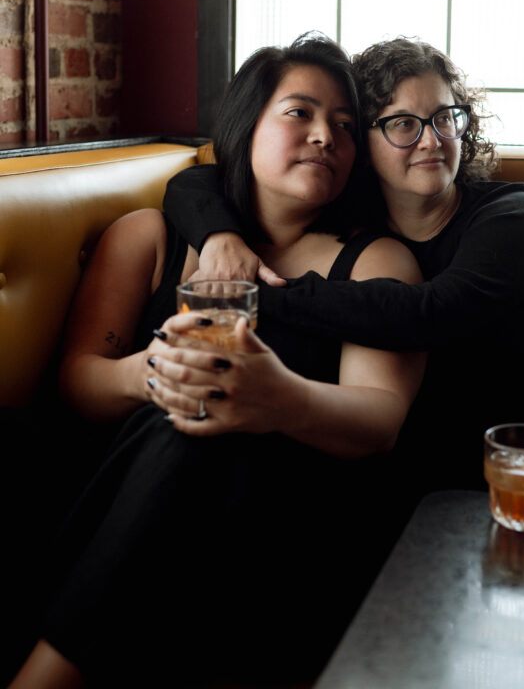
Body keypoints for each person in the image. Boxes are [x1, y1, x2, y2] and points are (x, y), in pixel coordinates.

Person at [9, 35, 425, 689]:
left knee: (214, 433)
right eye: (299, 112)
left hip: (283, 533)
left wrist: (279, 400)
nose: (325, 136)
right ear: (244, 126)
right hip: (116, 499)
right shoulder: (149, 237)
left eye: (344, 126)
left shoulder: (375, 262)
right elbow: (79, 384)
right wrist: (154, 374)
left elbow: (380, 420)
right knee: (182, 420)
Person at [164, 36, 524, 506]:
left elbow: (432, 314)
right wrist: (219, 237)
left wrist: (249, 293)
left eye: (445, 118)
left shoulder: (513, 214)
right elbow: (195, 182)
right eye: (403, 124)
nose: (432, 140)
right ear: (362, 144)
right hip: (433, 489)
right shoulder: (361, 232)